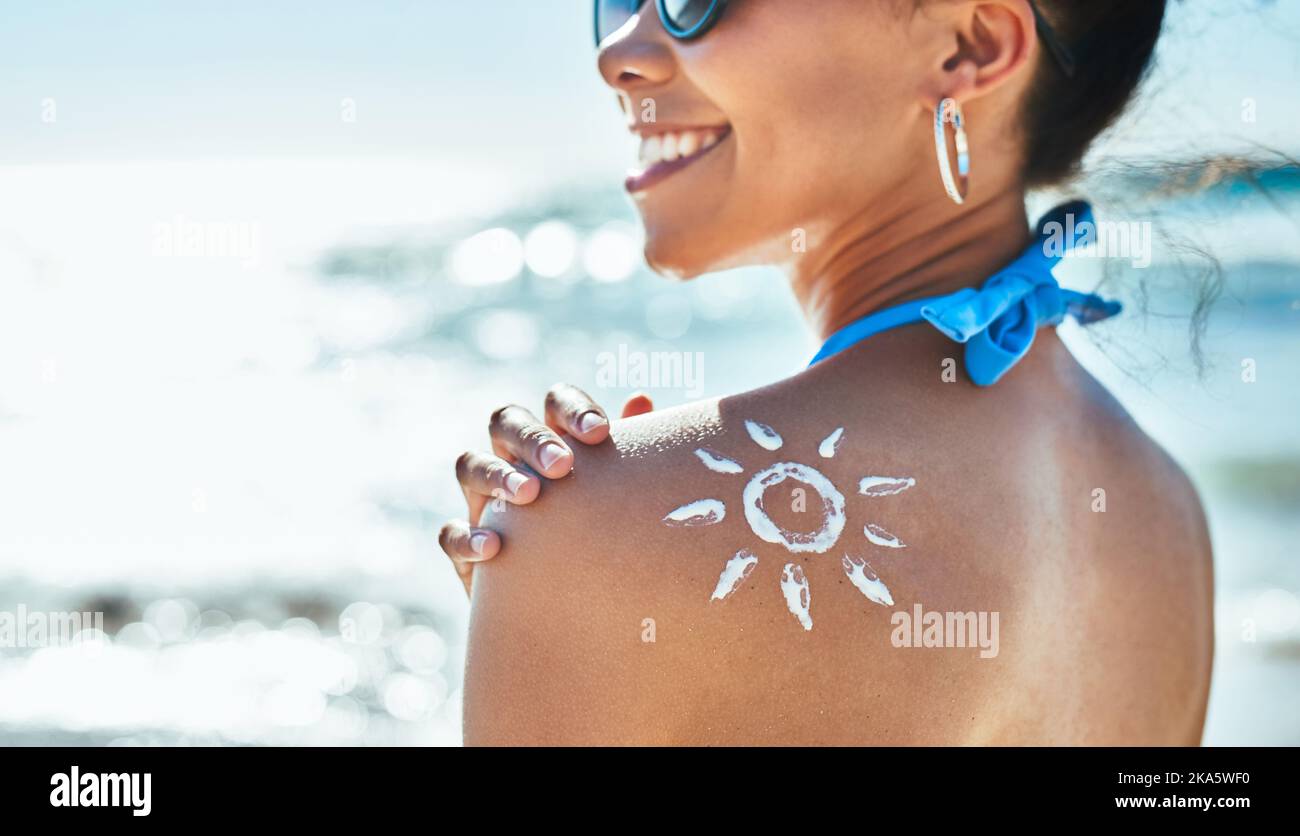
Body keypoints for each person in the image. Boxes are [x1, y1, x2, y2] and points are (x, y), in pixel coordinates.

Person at [439, 0, 1213, 745]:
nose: (617, 55)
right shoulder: (1167, 514)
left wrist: (565, 583)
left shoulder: (592, 531)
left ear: (968, 47)